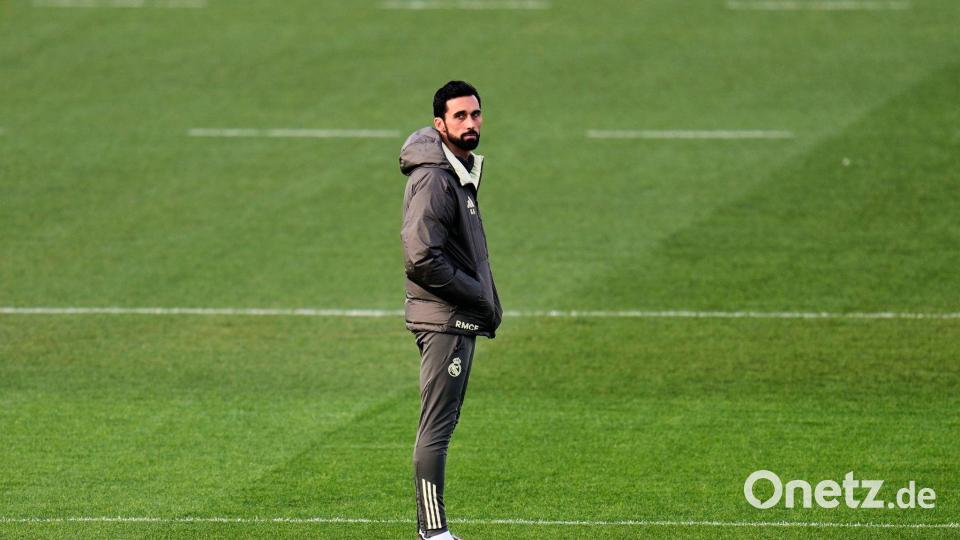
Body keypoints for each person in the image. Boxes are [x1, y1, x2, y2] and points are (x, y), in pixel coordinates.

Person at [399, 80, 503, 540]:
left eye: (475, 114)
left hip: (457, 315)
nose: (470, 123)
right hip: (445, 318)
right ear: (439, 124)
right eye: (460, 116)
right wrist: (474, 295)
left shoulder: (457, 171)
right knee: (436, 426)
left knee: (444, 422)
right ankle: (432, 531)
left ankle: (434, 530)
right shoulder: (435, 178)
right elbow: (420, 257)